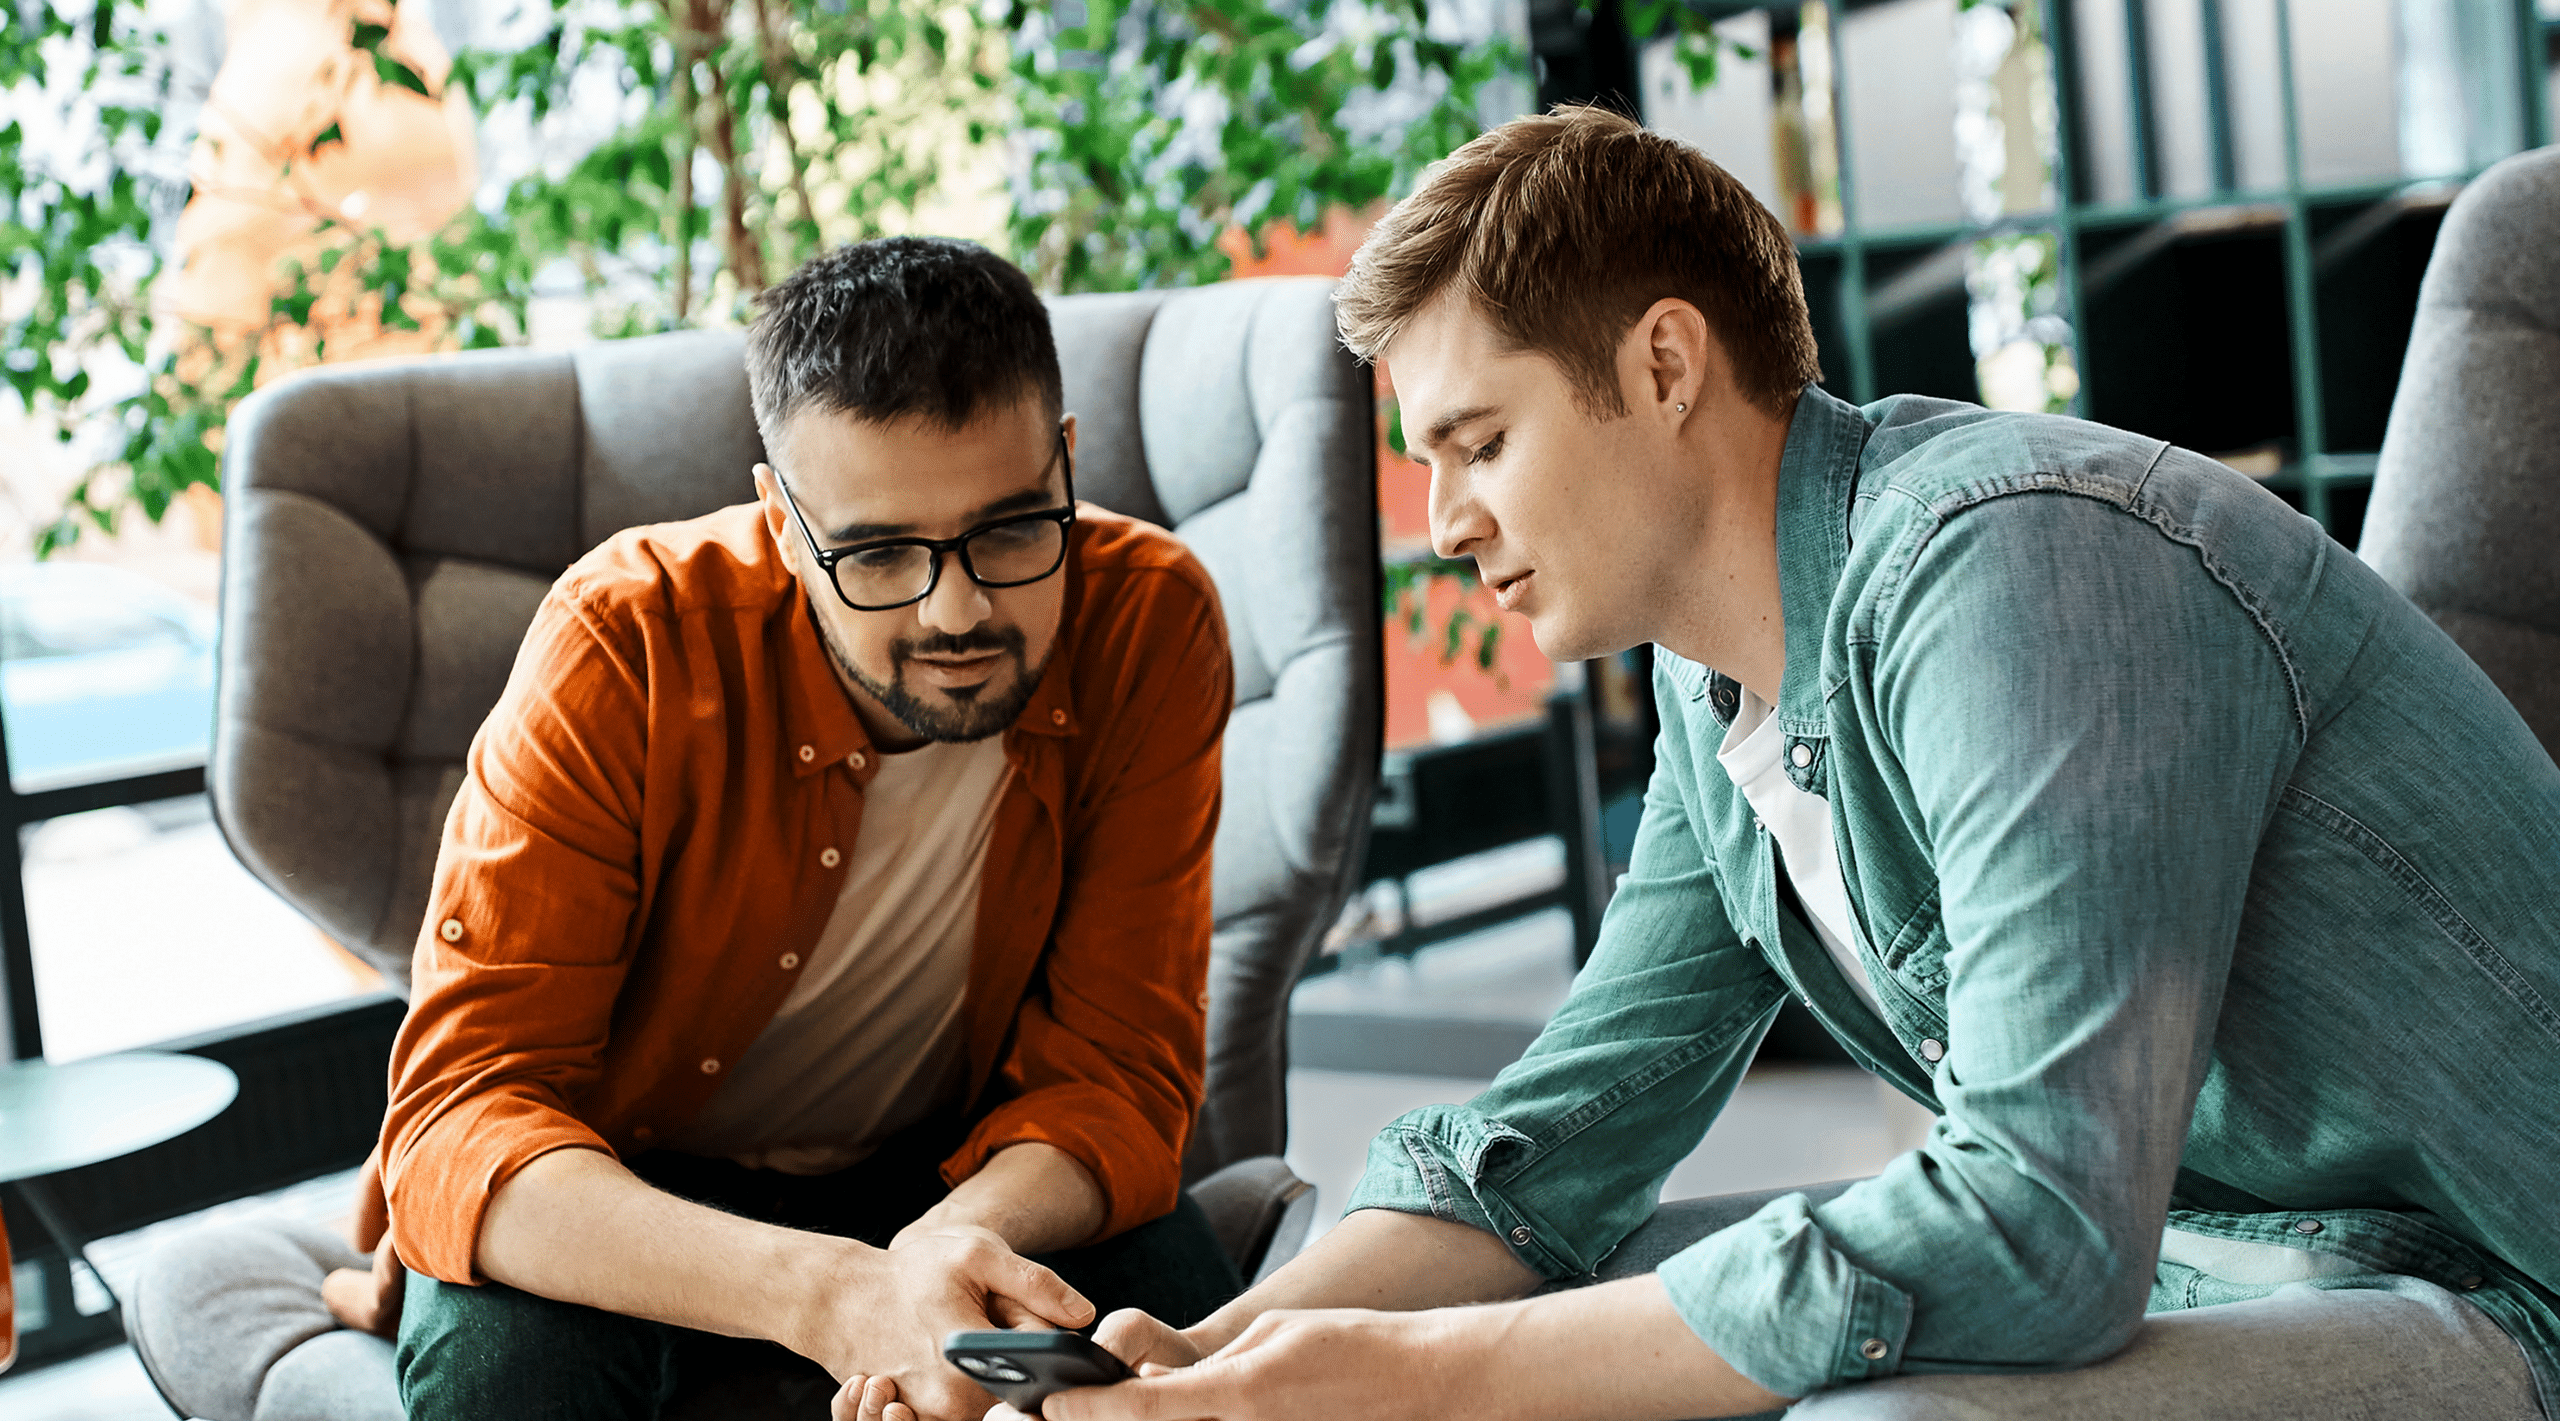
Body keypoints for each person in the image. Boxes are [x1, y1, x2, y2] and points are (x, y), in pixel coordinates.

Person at [1023, 106, 2560, 1421]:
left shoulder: (2018, 571)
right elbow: (1563, 1139)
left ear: (1667, 364)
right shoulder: (1720, 690)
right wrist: (1224, 1362)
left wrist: (1420, 1377)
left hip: (2481, 1281)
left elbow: (2040, 1220)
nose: (1444, 521)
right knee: (1549, 1313)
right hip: (2206, 1259)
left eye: (1480, 444)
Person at [319, 236, 1243, 1421]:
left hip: (968, 1166)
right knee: (509, 1380)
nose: (955, 610)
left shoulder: (1149, 620)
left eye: (1012, 530)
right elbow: (462, 1112)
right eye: (876, 553)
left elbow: (1116, 1071)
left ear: (1065, 464)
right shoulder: (623, 643)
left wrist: (941, 1255)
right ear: (781, 519)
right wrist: (831, 1296)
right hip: (634, 1181)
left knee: (1182, 1378)